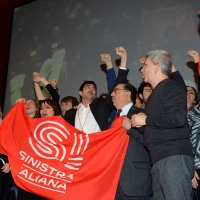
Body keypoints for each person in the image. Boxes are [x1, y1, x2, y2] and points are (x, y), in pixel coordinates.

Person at [131, 50, 194, 200]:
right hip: (159, 160)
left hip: (173, 158)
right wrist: (142, 125)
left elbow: (178, 118)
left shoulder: (169, 87)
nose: (142, 69)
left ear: (157, 67)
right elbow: (161, 124)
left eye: (145, 65)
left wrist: (146, 120)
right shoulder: (155, 94)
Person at [64, 46, 129, 133]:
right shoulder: (70, 113)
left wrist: (122, 59)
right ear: (80, 92)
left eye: (94, 88)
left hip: (99, 146)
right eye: (88, 87)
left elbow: (117, 87)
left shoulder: (102, 105)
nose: (91, 89)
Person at [111, 83, 152, 200]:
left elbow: (151, 142)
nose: (112, 94)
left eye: (116, 91)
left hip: (135, 181)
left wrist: (130, 130)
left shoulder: (142, 114)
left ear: (127, 94)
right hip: (114, 183)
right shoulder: (112, 118)